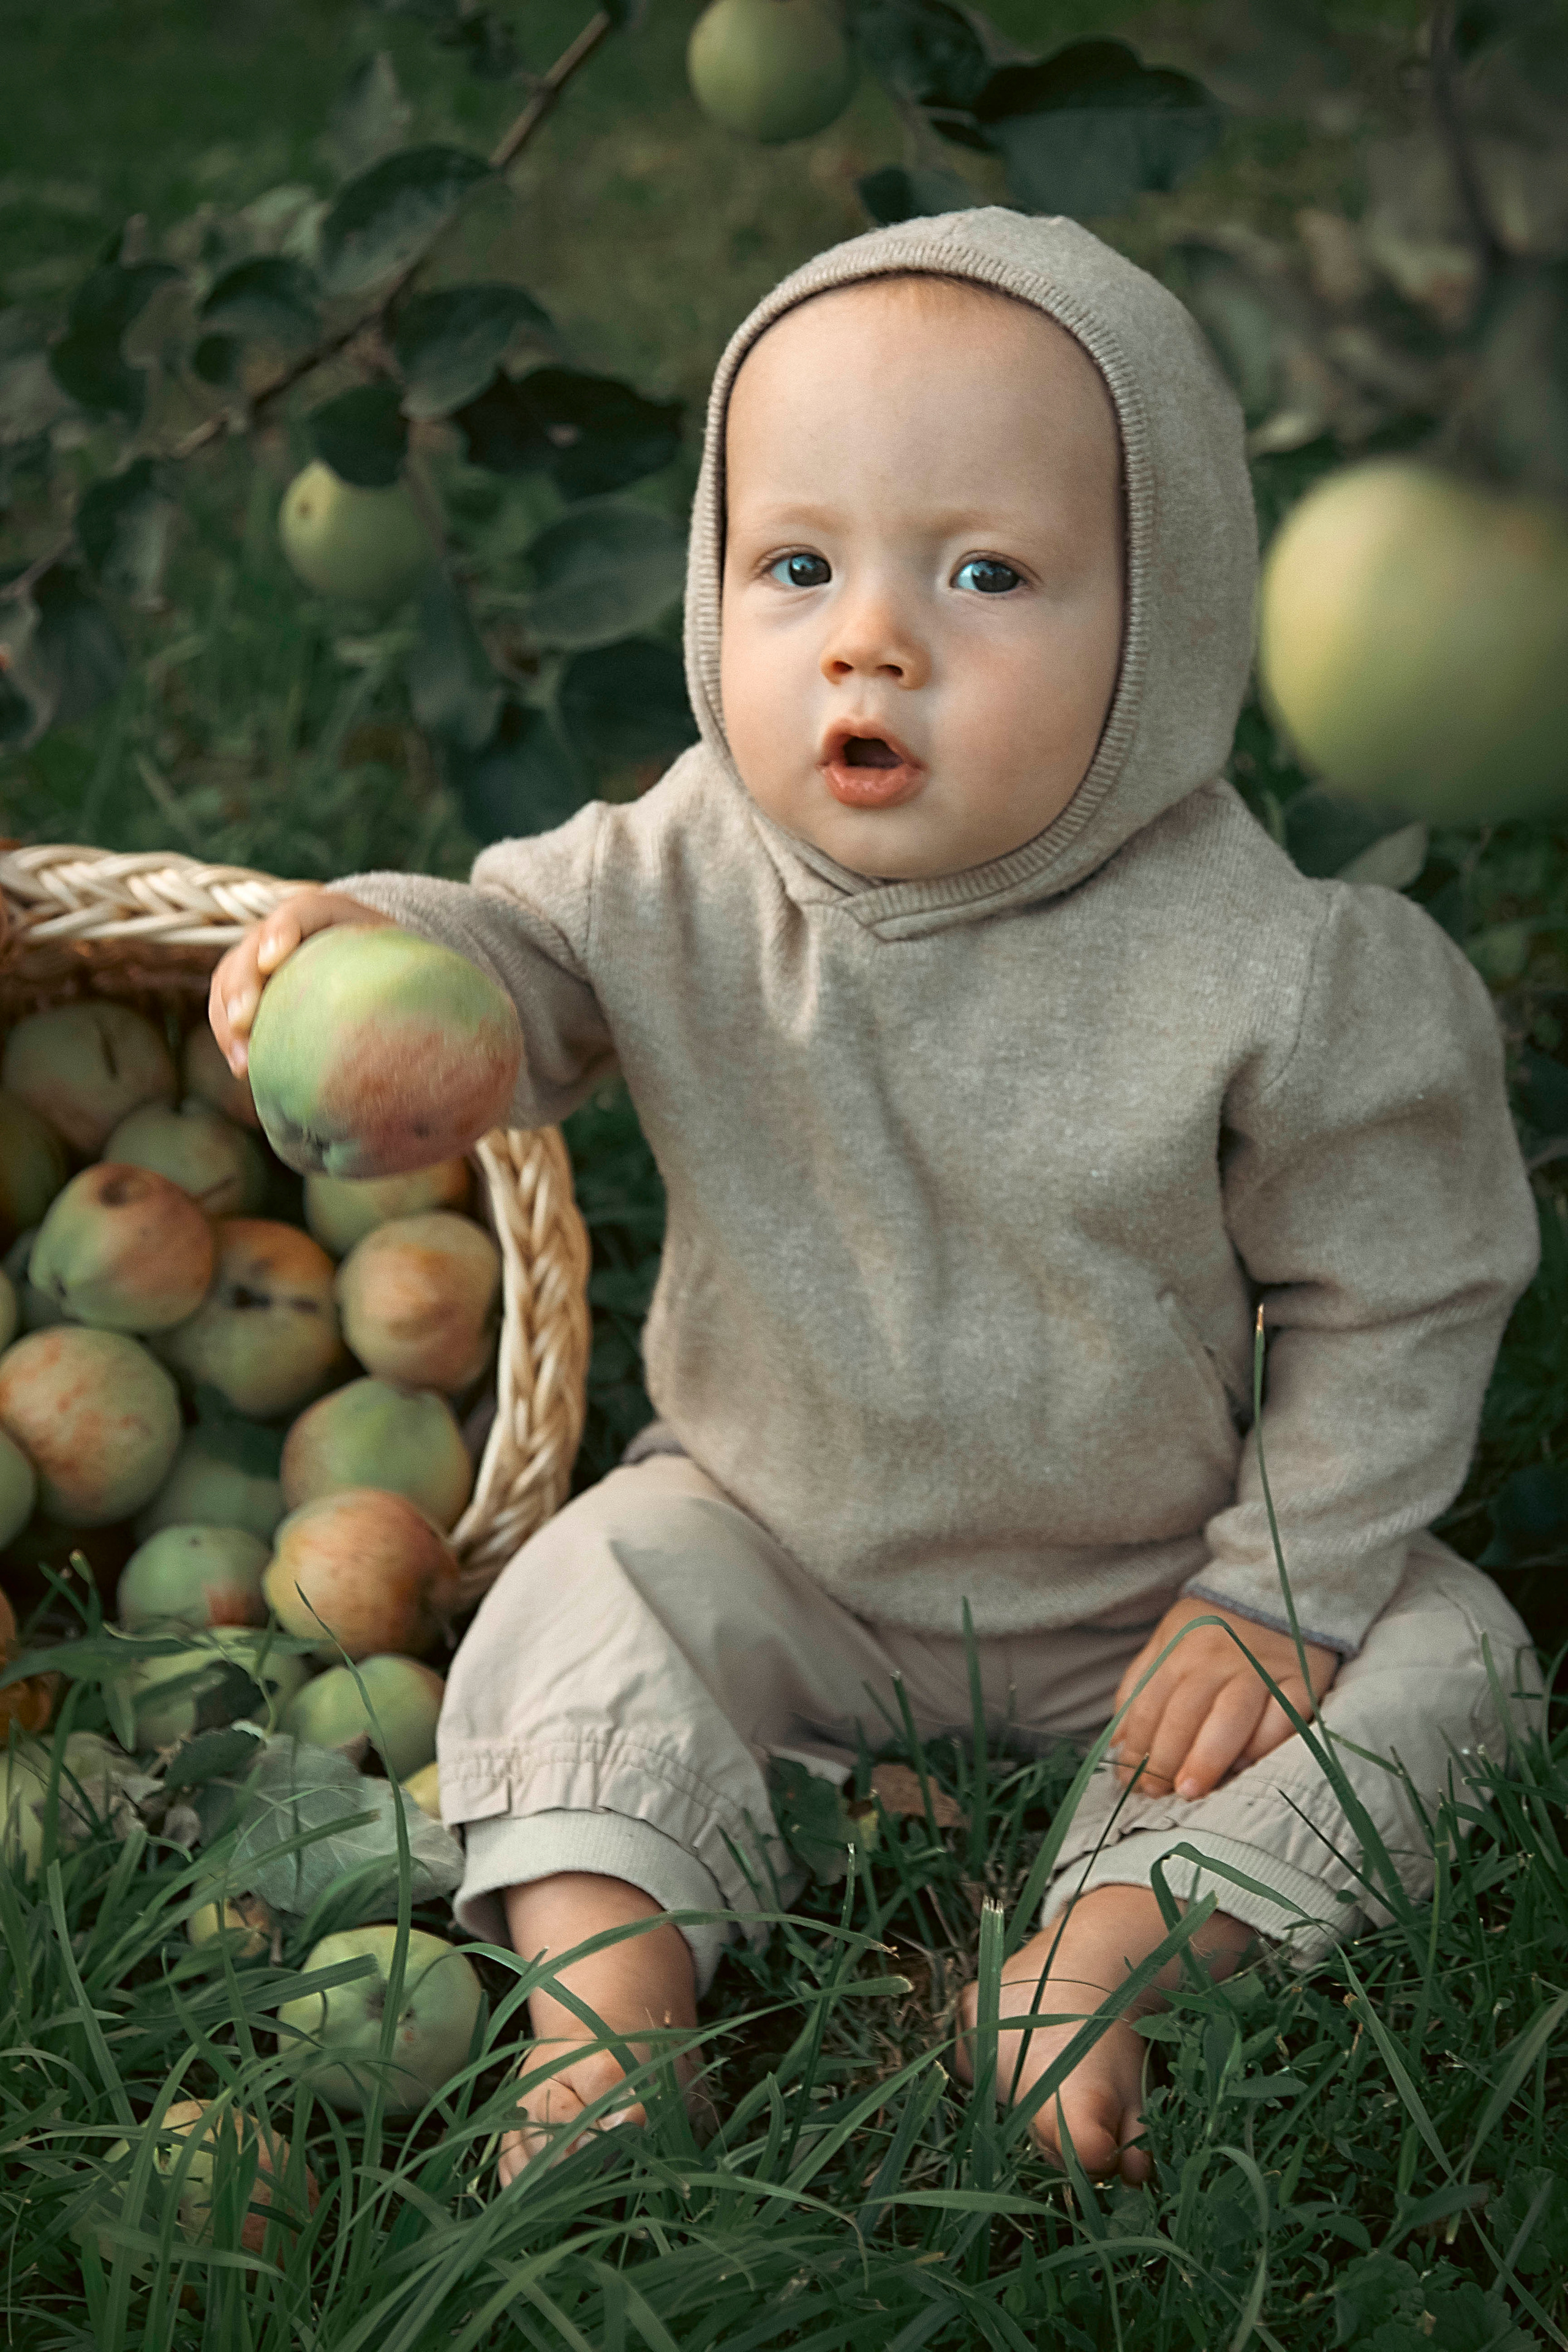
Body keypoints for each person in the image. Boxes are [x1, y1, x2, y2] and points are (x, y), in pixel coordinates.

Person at [211, 207, 1543, 2187]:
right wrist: (382, 967)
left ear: (1166, 621)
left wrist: (1283, 1584)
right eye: (799, 566)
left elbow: (1409, 1281)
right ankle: (608, 2018)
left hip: (1142, 1595)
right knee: (594, 1581)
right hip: (778, 1553)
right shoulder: (686, 861)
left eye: (986, 572)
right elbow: (518, 957)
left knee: (1452, 1651)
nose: (871, 639)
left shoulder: (1268, 966)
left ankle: (1107, 1955)